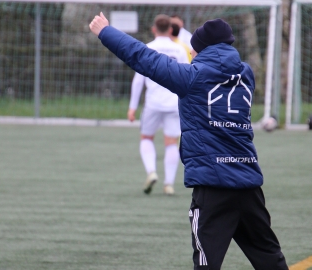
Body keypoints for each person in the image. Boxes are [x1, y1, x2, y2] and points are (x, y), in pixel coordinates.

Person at [90, 12, 288, 270]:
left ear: (203, 50)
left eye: (194, 50)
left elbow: (143, 57)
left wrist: (106, 32)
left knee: (206, 264)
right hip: (249, 184)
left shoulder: (192, 78)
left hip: (213, 187)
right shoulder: (246, 75)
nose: (191, 54)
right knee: (270, 258)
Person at [127, 14, 189, 196]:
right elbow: (186, 76)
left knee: (146, 138)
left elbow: (138, 81)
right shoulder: (179, 50)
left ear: (154, 29)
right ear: (171, 30)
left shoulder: (147, 49)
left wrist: (132, 107)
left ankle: (151, 172)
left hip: (153, 103)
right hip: (173, 103)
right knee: (171, 143)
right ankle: (168, 183)